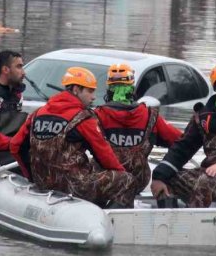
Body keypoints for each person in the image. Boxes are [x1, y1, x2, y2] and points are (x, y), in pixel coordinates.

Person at [10, 66, 136, 208]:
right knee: (127, 180)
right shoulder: (83, 118)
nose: (93, 96)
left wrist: (31, 178)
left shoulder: (38, 113)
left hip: (42, 183)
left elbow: (15, 146)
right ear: (76, 89)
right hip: (74, 186)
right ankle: (107, 220)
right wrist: (121, 174)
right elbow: (105, 156)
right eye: (90, 91)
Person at [149, 62, 216, 207]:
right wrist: (159, 176)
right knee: (169, 178)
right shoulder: (203, 116)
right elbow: (183, 147)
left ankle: (191, 223)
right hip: (209, 173)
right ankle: (168, 218)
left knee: (204, 182)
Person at [94, 63, 183, 198]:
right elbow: (181, 141)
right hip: (139, 180)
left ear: (109, 88)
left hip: (106, 179)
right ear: (132, 86)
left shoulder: (98, 116)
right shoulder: (150, 116)